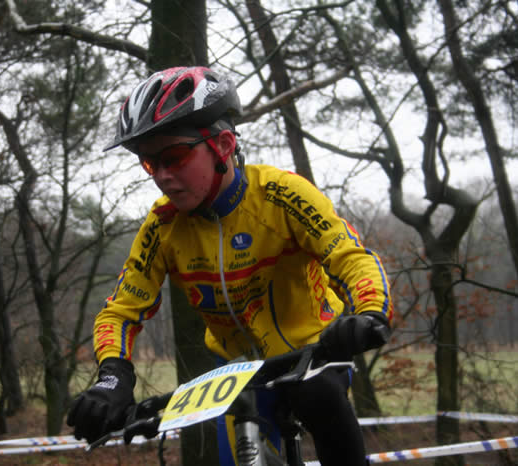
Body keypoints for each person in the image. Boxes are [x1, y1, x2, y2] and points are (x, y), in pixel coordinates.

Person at [66, 66, 393, 465]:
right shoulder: (163, 225)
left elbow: (351, 257)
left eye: (174, 157)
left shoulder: (280, 195)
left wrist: (370, 312)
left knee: (319, 397)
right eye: (150, 164)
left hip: (310, 355)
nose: (163, 177)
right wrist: (113, 377)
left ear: (222, 145)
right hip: (235, 371)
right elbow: (119, 312)